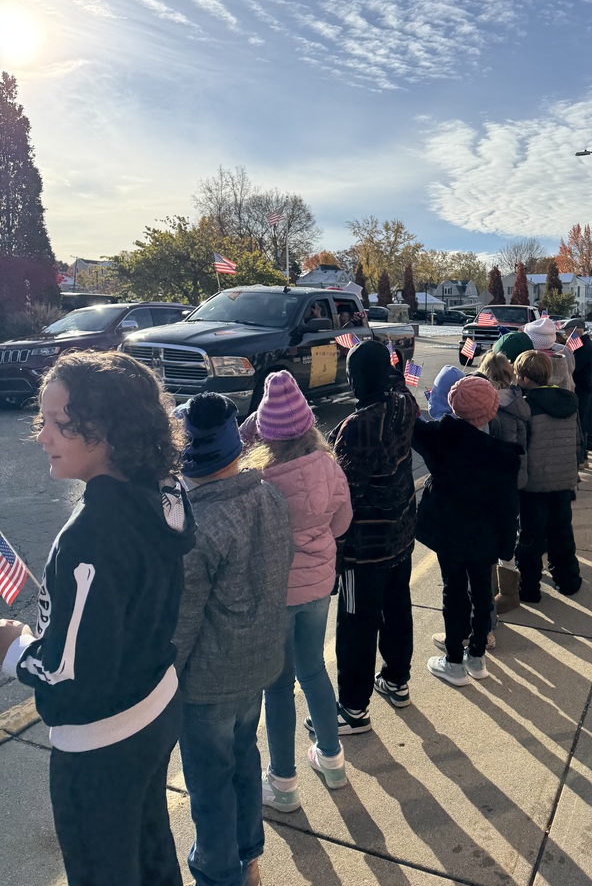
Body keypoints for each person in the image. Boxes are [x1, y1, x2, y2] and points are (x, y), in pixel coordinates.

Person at [0, 351, 196, 886]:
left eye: (60, 425)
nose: (42, 436)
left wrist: (16, 647)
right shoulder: (164, 492)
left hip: (101, 741)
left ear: (110, 430)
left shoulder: (90, 536)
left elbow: (72, 677)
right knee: (153, 849)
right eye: (44, 420)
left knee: (103, 868)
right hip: (155, 702)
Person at [173, 392, 294, 886]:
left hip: (207, 680)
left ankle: (218, 872)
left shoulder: (195, 525)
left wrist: (162, 678)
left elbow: (181, 625)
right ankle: (249, 857)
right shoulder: (268, 496)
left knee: (209, 783)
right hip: (260, 660)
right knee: (245, 759)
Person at [240, 371, 353, 814]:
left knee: (278, 686)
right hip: (319, 585)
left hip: (277, 593)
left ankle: (283, 782)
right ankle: (332, 759)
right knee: (314, 671)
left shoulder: (259, 478)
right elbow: (341, 524)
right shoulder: (329, 466)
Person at [319, 339, 420, 734]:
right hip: (401, 531)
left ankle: (353, 708)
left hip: (366, 547)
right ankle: (397, 680)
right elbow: (395, 376)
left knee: (356, 623)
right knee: (397, 607)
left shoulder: (357, 427)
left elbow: (343, 495)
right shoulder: (404, 404)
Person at [413, 376, 522, 685]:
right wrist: (506, 546)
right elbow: (508, 508)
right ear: (491, 410)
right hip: (485, 537)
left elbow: (414, 426)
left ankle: (453, 659)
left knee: (454, 592)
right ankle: (476, 657)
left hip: (449, 531)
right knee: (482, 592)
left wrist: (400, 386)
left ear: (452, 405)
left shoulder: (439, 437)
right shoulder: (503, 456)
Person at [511, 350, 581, 602]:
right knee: (561, 532)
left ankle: (529, 588)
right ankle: (569, 580)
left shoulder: (525, 406)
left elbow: (522, 447)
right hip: (563, 479)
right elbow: (577, 442)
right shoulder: (569, 401)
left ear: (526, 379)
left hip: (534, 484)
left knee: (530, 537)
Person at [475, 350, 530, 613]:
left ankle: (495, 594)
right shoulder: (519, 402)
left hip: (492, 484)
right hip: (516, 479)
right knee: (510, 535)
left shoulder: (490, 408)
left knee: (490, 538)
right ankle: (509, 591)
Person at [562, 318, 592, 465]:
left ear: (574, 331)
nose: (566, 336)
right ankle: (583, 456)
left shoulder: (584, 347)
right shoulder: (584, 344)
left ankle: (581, 457)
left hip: (581, 389)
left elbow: (574, 366)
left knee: (579, 424)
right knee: (581, 423)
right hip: (583, 388)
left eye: (568, 332)